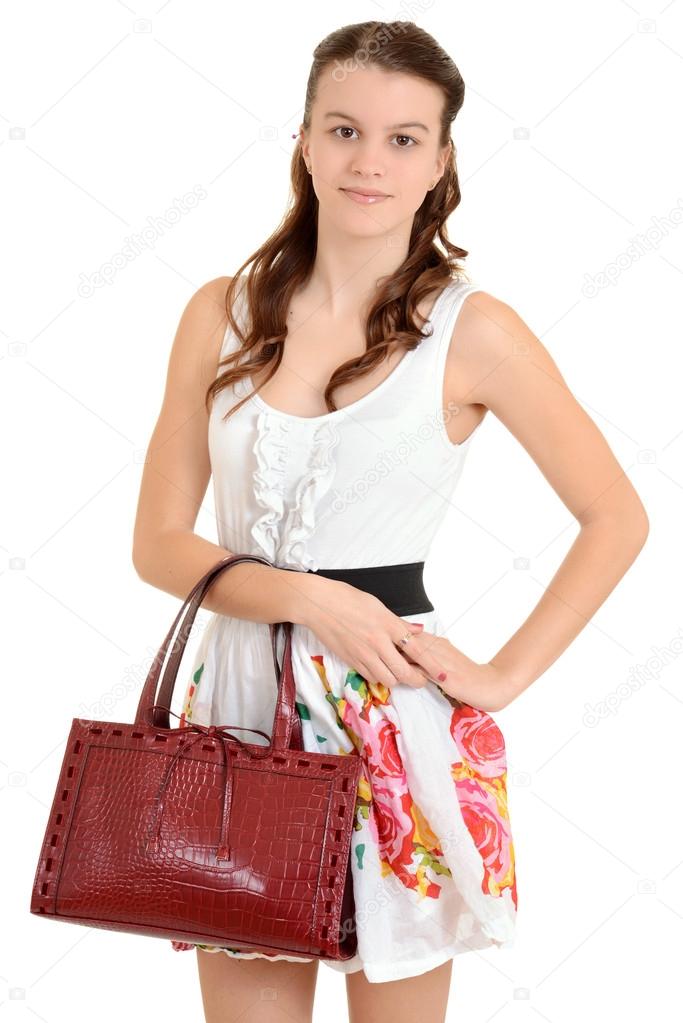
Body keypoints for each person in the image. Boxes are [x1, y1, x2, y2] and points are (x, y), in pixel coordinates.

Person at [132, 18, 649, 1023]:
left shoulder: (474, 330)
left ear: (440, 161)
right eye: (343, 130)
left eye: (403, 138)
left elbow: (614, 518)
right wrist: (309, 601)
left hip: (392, 713)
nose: (369, 161)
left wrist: (499, 676)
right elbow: (158, 543)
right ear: (304, 141)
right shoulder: (219, 313)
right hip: (241, 707)